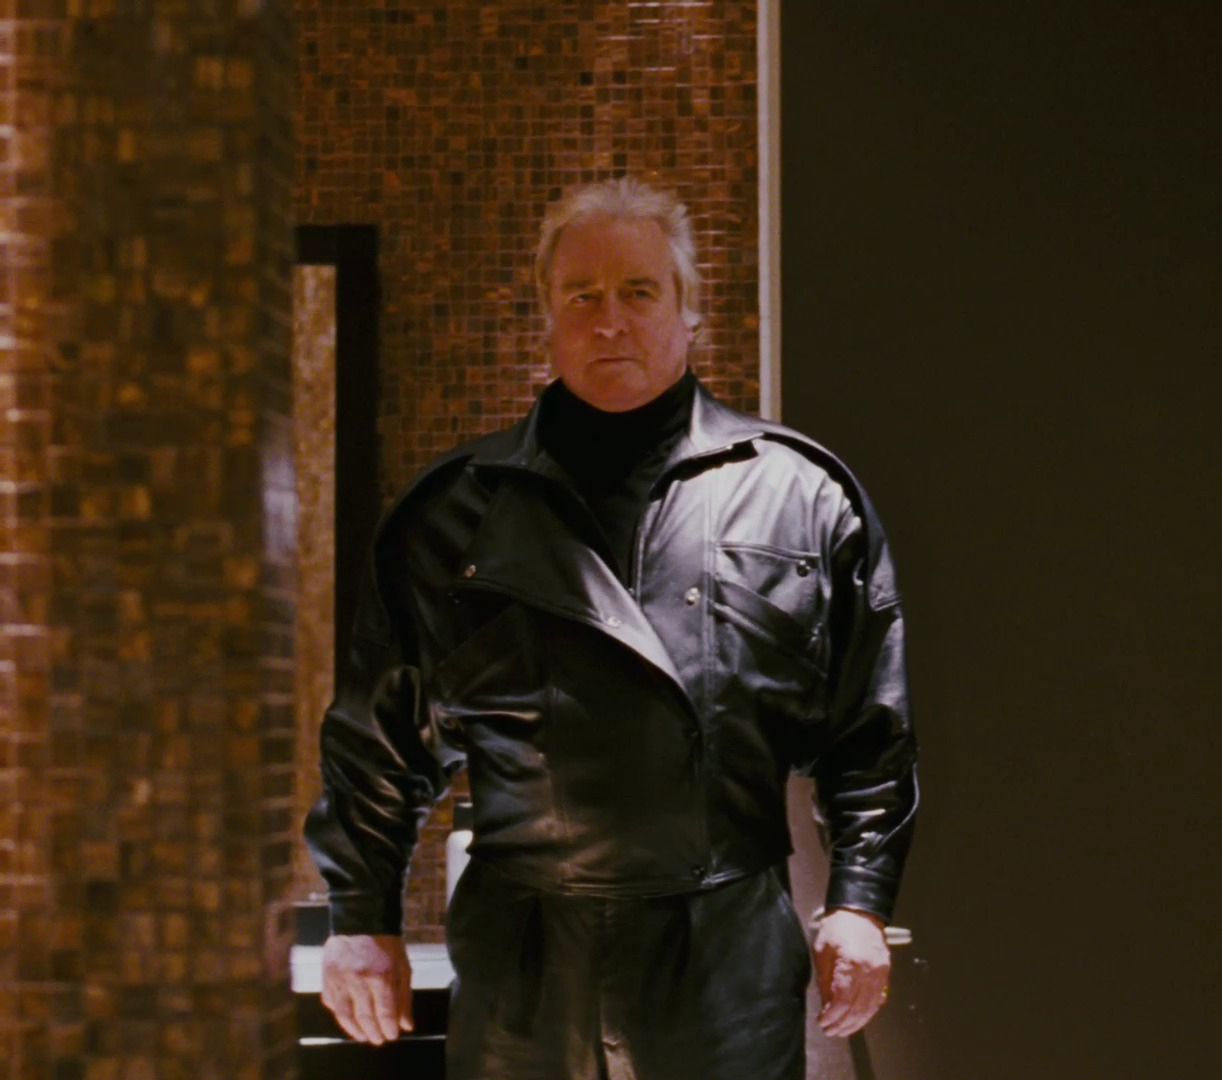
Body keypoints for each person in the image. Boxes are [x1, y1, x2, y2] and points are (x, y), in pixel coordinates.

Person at [303, 177, 919, 1080]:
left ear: (688, 310)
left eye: (638, 291)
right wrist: (360, 916)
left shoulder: (800, 496)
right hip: (525, 956)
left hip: (725, 950)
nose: (609, 321)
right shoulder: (452, 514)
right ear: (547, 318)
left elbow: (871, 732)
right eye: (582, 297)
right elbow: (376, 742)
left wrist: (859, 901)